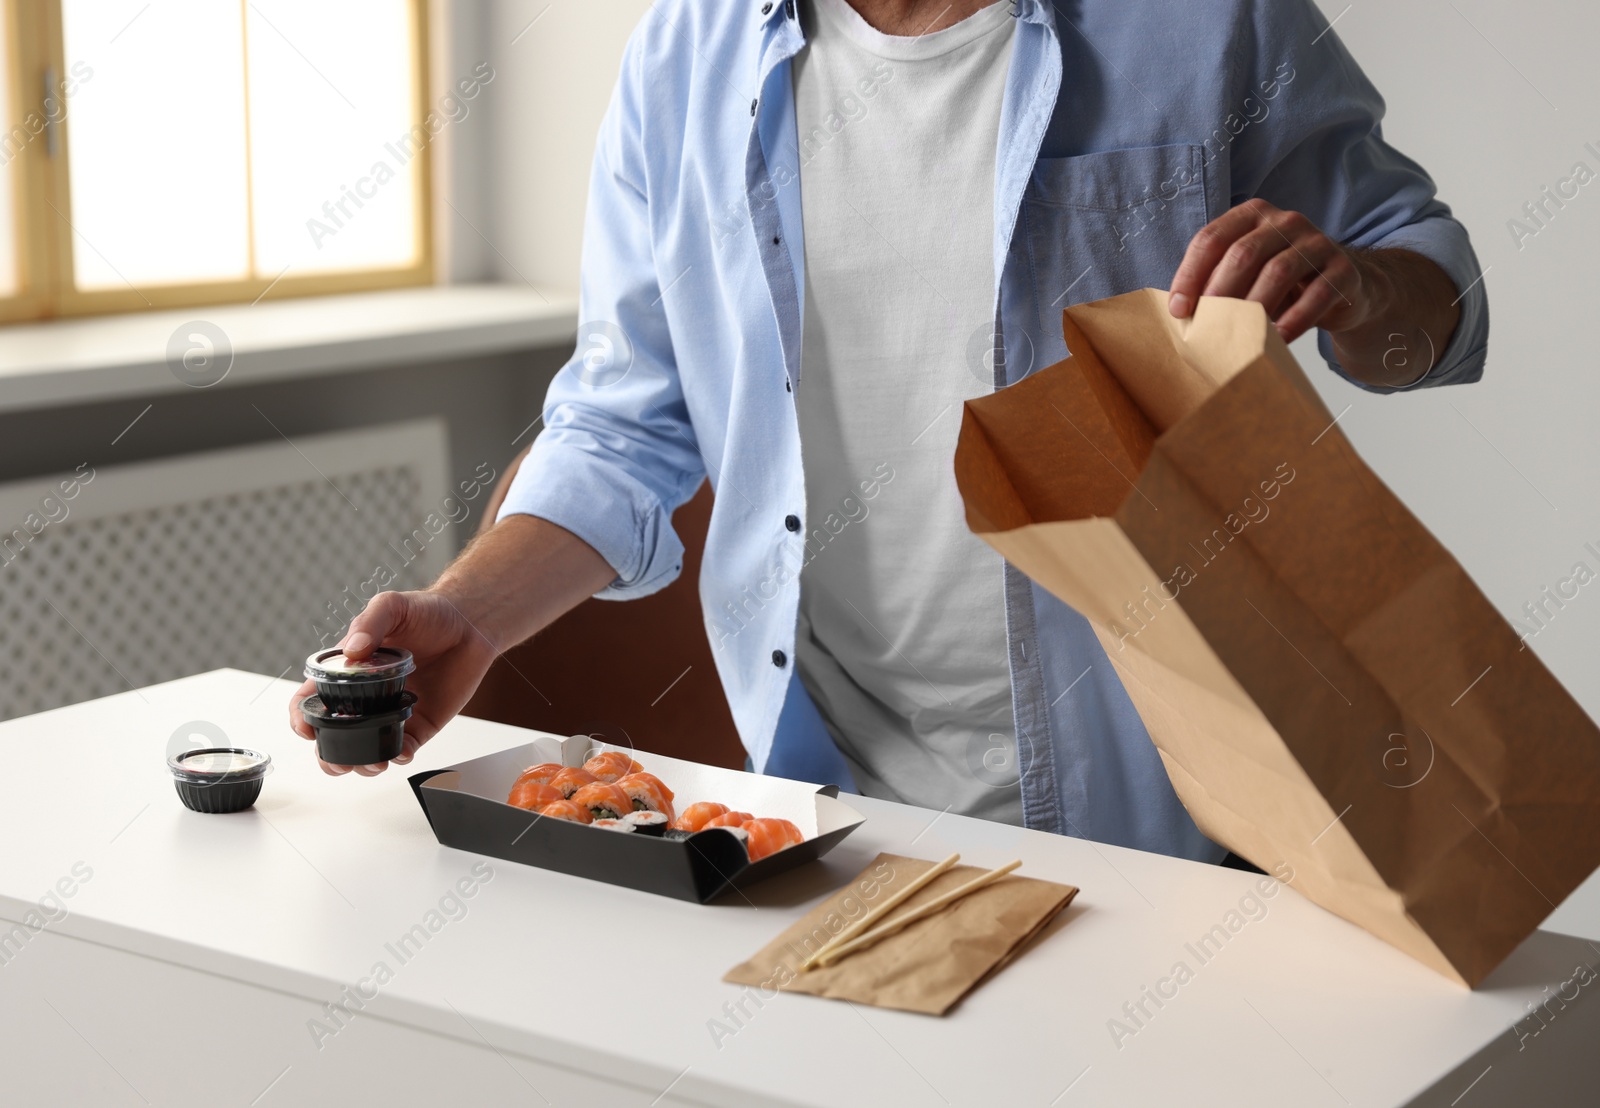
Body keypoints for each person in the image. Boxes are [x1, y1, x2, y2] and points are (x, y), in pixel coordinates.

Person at [289, 0, 1487, 863]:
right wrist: (470, 613)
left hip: (1177, 796)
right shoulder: (684, 52)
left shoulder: (1217, 20)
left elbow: (1430, 293)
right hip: (835, 802)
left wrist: (1364, 290)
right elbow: (621, 423)